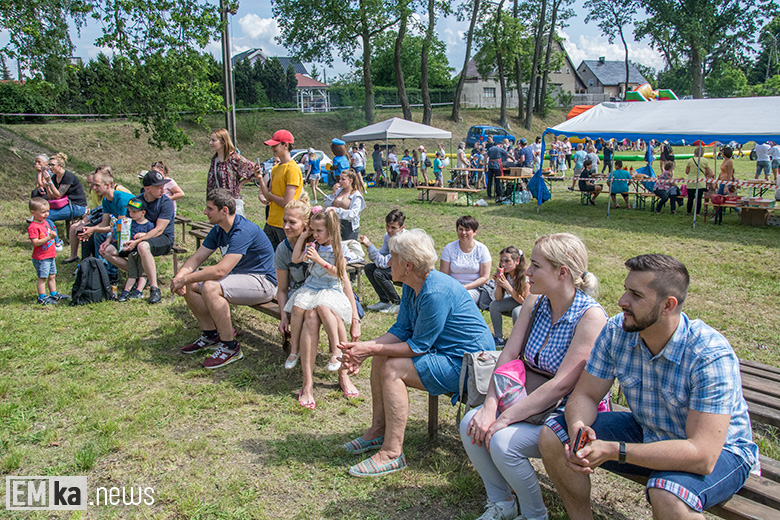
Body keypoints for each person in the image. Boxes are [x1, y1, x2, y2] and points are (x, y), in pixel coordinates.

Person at [539, 254, 758, 520]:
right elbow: (585, 394)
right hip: (650, 429)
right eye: (625, 290)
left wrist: (614, 450)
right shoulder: (616, 331)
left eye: (636, 295)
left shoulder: (708, 354)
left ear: (668, 305)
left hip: (722, 451)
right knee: (554, 435)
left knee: (667, 494)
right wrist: (578, 428)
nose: (622, 301)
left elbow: (703, 455)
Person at [460, 233, 606, 520]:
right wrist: (490, 405)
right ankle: (502, 502)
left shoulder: (591, 317)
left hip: (567, 411)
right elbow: (507, 356)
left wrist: (504, 418)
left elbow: (562, 384)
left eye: (536, 266)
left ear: (562, 272)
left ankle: (534, 515)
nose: (527, 271)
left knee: (502, 442)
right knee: (470, 423)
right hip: (529, 396)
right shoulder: (535, 302)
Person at [339, 229, 495, 477]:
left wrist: (368, 348)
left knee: (393, 368)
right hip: (447, 354)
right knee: (381, 356)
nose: (388, 261)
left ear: (408, 265)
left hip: (470, 366)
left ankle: (392, 453)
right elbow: (402, 329)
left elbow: (417, 346)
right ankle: (378, 430)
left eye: (392, 256)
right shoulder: (413, 284)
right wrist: (365, 348)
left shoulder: (434, 292)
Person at [173, 189, 277, 369]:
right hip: (241, 277)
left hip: (263, 281)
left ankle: (230, 347)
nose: (205, 212)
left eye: (209, 208)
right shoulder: (219, 229)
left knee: (210, 286)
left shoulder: (242, 230)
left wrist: (186, 278)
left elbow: (221, 271)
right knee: (193, 284)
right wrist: (180, 277)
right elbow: (197, 258)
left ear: (224, 211)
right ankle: (210, 335)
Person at [284, 209, 361, 408]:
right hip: (312, 290)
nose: (315, 234)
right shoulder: (313, 244)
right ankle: (305, 379)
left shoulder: (338, 249)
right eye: (313, 230)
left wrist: (355, 318)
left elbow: (342, 278)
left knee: (325, 308)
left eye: (318, 230)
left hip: (331, 292)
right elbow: (296, 259)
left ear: (331, 230)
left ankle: (339, 366)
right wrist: (304, 237)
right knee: (305, 310)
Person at [103, 170, 175, 304]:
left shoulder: (166, 202)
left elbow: (159, 230)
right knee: (107, 251)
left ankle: (154, 288)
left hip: (163, 238)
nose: (162, 189)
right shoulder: (136, 201)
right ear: (147, 188)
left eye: (162, 186)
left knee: (143, 246)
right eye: (159, 187)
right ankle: (139, 275)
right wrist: (109, 240)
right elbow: (124, 223)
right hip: (135, 238)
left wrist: (140, 240)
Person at [78, 166, 136, 282]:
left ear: (108, 185)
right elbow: (104, 223)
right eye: (93, 185)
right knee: (98, 235)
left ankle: (119, 273)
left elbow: (121, 227)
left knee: (99, 234)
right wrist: (91, 230)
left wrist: (95, 231)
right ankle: (104, 271)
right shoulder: (106, 199)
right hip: (122, 230)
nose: (94, 188)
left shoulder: (121, 199)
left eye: (97, 185)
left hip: (135, 231)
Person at [257, 129, 303, 251]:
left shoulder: (292, 169)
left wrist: (269, 195)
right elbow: (268, 197)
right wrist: (260, 179)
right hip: (271, 222)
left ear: (285, 145)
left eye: (275, 145)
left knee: (285, 262)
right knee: (268, 258)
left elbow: (287, 202)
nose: (272, 148)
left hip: (285, 225)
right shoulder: (276, 168)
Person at [361, 209, 406, 314]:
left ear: (402, 228)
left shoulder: (402, 240)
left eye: (393, 228)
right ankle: (385, 300)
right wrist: (373, 252)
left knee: (379, 273)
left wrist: (370, 246)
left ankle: (397, 303)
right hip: (396, 267)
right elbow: (381, 257)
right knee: (369, 268)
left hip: (408, 273)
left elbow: (383, 263)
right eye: (387, 226)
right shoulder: (388, 236)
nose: (389, 230)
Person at [440, 215, 492, 304]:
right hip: (452, 287)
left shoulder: (482, 249)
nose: (463, 233)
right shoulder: (449, 248)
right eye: (460, 229)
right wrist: (454, 287)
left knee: (463, 299)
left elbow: (485, 277)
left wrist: (466, 287)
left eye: (467, 230)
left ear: (474, 232)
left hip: (474, 288)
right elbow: (444, 275)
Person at [206, 128, 256, 216]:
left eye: (213, 140)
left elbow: (254, 170)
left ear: (223, 142)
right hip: (217, 203)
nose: (210, 143)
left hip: (232, 203)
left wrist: (240, 184)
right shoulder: (214, 159)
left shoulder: (234, 158)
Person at [28, 198, 69, 305]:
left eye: (47, 211)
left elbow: (49, 233)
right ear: (33, 212)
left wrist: (53, 238)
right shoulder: (33, 227)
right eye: (43, 212)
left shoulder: (45, 223)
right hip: (41, 257)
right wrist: (49, 237)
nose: (46, 214)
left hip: (50, 255)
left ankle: (53, 293)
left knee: (52, 275)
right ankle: (42, 297)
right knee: (43, 277)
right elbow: (35, 242)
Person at [488, 246, 530, 347]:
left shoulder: (524, 276)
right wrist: (499, 284)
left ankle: (519, 342)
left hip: (528, 304)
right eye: (501, 261)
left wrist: (508, 287)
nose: (503, 264)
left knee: (517, 311)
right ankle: (499, 338)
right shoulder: (506, 274)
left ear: (517, 261)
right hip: (516, 299)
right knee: (494, 305)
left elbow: (526, 302)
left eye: (507, 261)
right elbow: (498, 298)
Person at [117, 197, 156, 302]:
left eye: (134, 212)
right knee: (132, 273)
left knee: (143, 273)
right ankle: (126, 291)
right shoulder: (129, 223)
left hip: (142, 254)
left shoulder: (149, 225)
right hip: (131, 253)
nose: (131, 214)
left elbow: (152, 236)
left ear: (143, 212)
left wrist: (144, 235)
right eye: (129, 211)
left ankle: (139, 291)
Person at [38, 153, 88, 225]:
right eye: (49, 165)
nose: (50, 167)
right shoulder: (54, 177)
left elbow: (58, 195)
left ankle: (52, 236)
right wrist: (47, 186)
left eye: (52, 165)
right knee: (41, 214)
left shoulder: (68, 177)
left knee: (47, 216)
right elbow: (52, 197)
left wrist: (49, 181)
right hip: (64, 204)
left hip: (77, 206)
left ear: (60, 166)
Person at [322, 169, 366, 241]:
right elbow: (326, 205)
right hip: (334, 223)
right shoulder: (338, 191)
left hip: (348, 228)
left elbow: (353, 214)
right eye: (340, 179)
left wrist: (336, 210)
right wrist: (333, 194)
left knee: (347, 249)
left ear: (350, 181)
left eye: (343, 179)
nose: (340, 181)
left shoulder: (356, 195)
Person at [685, 145, 713, 216]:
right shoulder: (705, 161)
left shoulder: (690, 160)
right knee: (699, 198)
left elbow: (687, 171)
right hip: (701, 181)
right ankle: (697, 213)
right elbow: (707, 172)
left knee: (690, 198)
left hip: (691, 181)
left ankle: (688, 211)